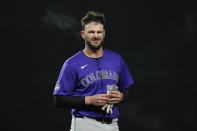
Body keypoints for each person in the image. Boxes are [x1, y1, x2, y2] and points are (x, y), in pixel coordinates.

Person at [53, 11, 134, 131]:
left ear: (104, 33)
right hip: (85, 123)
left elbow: (128, 89)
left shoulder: (116, 59)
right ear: (83, 34)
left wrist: (122, 96)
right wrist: (89, 100)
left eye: (99, 32)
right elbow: (59, 100)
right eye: (91, 32)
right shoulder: (72, 63)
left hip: (112, 124)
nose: (96, 36)